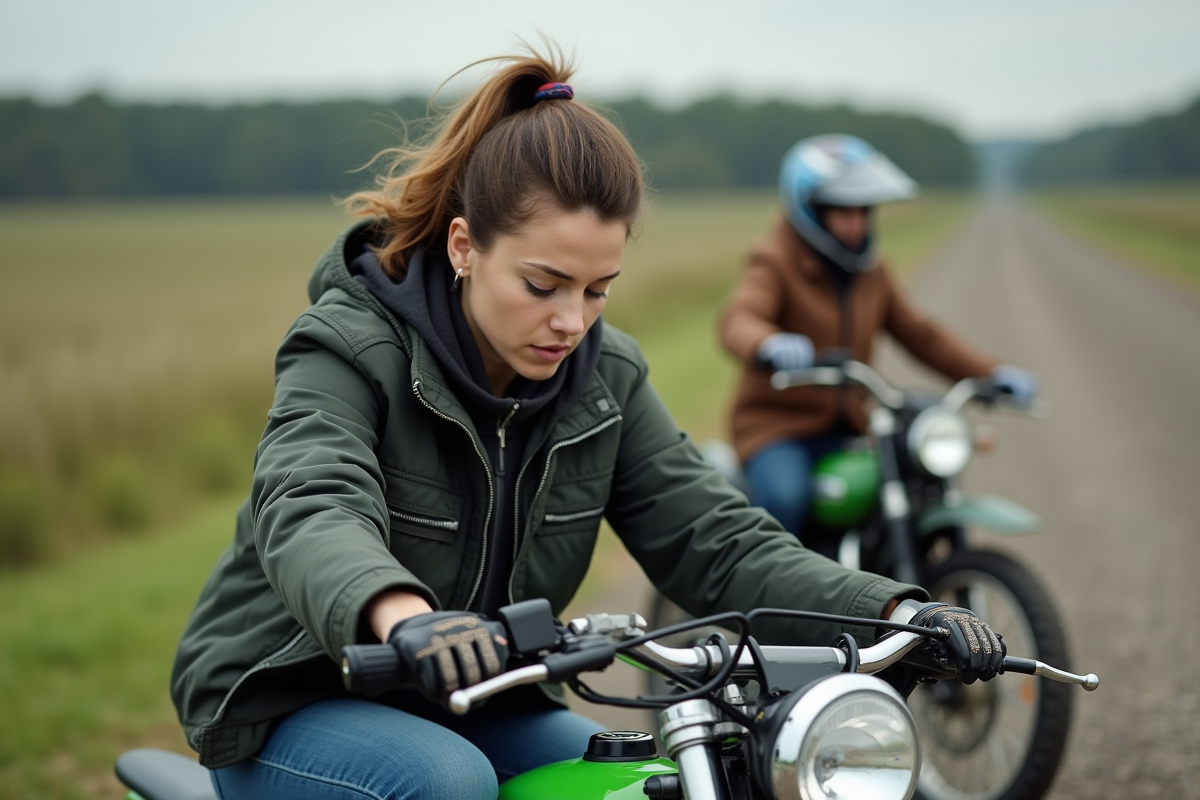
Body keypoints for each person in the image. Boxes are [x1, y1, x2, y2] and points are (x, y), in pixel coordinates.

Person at [170, 53, 1006, 800]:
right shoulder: (347, 346)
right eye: (543, 285)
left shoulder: (605, 378)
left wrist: (895, 614)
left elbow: (717, 539)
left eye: (597, 289)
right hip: (290, 694)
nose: (572, 322)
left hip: (475, 694)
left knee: (649, 781)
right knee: (443, 782)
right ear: (465, 247)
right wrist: (403, 616)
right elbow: (311, 502)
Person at [720, 134, 1038, 539]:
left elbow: (919, 334)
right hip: (779, 431)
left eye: (864, 212)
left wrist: (990, 372)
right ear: (812, 210)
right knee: (787, 498)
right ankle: (765, 602)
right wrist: (767, 342)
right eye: (843, 213)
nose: (857, 225)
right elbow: (739, 318)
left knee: (905, 493)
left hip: (850, 429)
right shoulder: (774, 259)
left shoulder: (870, 270)